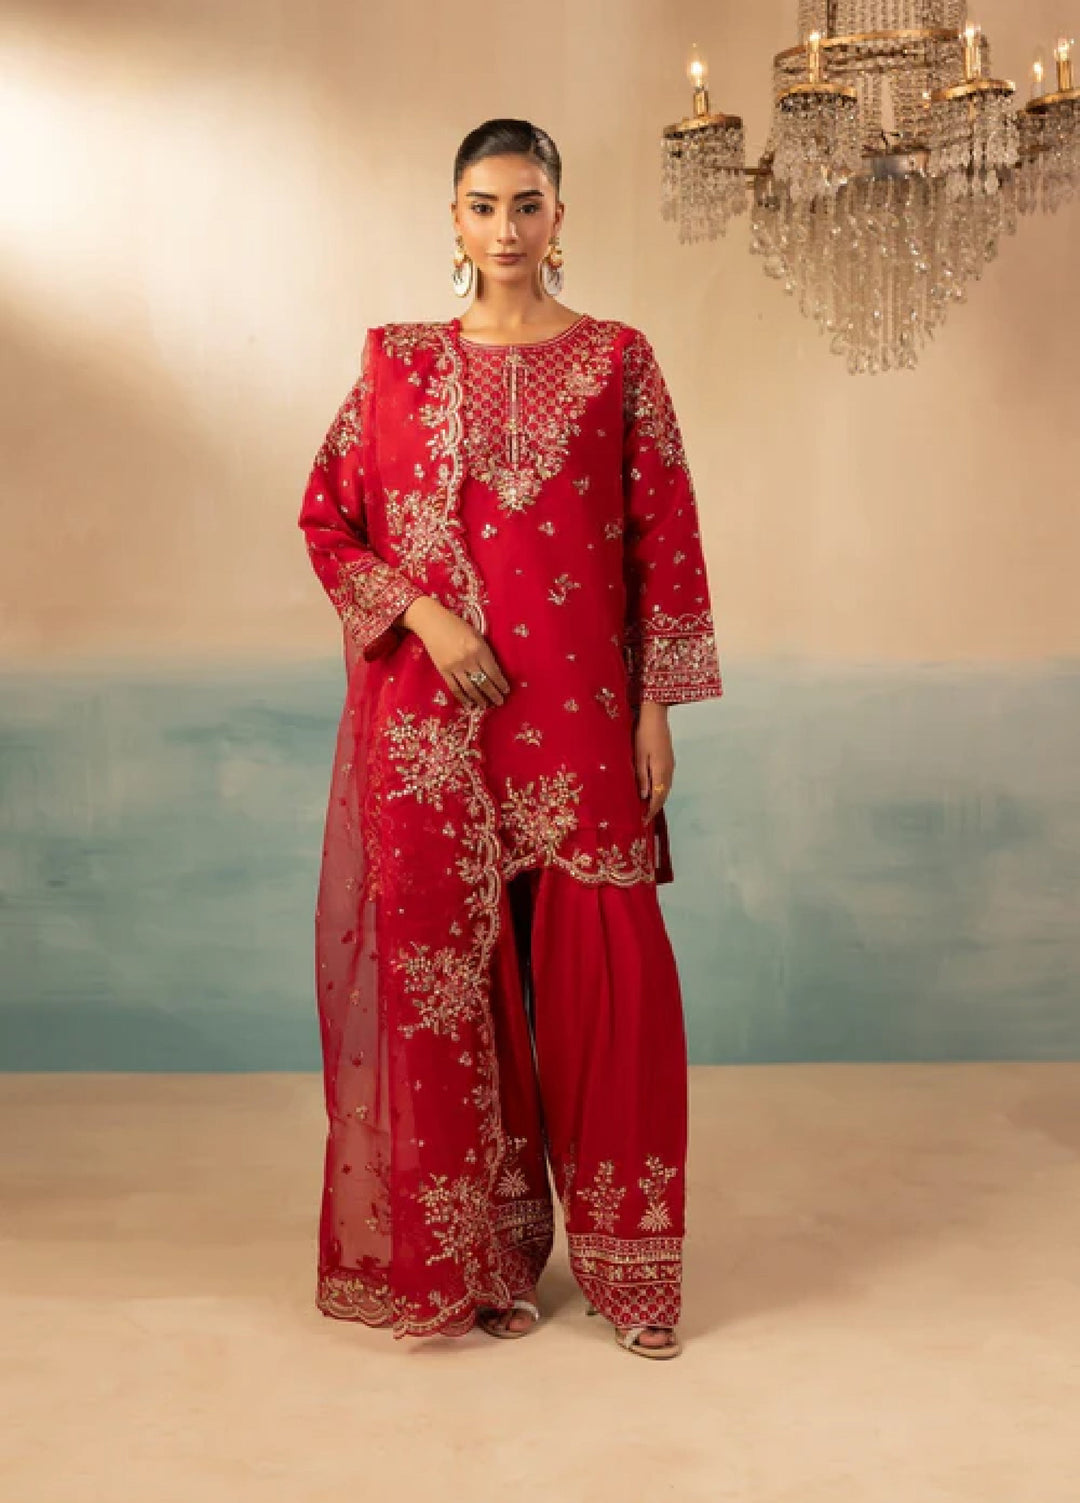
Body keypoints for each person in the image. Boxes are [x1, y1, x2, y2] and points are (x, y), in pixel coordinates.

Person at [297, 117, 723, 1360]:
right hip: (439, 731)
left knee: (614, 989)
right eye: (482, 206)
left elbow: (664, 538)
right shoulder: (399, 365)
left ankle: (634, 1272)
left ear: (558, 217)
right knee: (461, 996)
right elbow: (327, 520)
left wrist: (654, 706)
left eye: (526, 204)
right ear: (453, 220)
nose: (505, 228)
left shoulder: (618, 361)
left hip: (581, 714)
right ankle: (489, 1263)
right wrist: (425, 618)